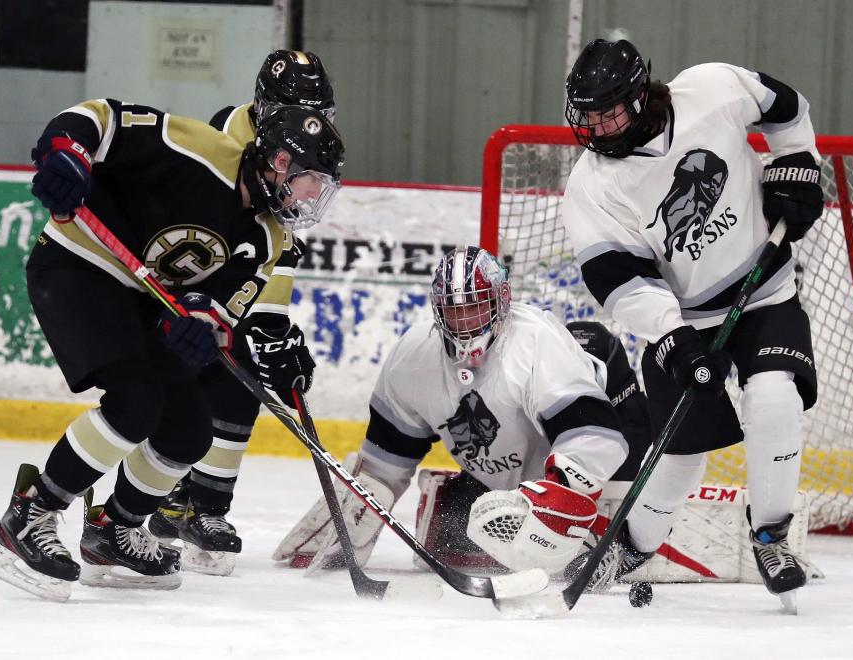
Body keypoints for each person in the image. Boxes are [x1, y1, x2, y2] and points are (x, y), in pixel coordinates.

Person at [0, 97, 344, 601]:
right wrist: (67, 153)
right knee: (135, 402)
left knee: (187, 430)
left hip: (140, 301)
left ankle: (114, 530)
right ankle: (32, 512)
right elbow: (97, 118)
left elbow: (217, 307)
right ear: (280, 162)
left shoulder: (268, 238)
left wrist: (201, 325)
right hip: (77, 266)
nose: (313, 196)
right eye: (314, 179)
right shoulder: (197, 150)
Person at [560, 38, 823, 605]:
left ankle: (771, 534)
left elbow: (788, 109)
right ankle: (630, 546)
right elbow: (619, 278)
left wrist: (799, 160)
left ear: (638, 96)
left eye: (609, 113)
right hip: (681, 321)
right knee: (678, 458)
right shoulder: (591, 186)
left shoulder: (710, 88)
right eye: (589, 116)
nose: (598, 128)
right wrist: (674, 338)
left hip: (765, 291)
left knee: (774, 400)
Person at [272, 246, 649, 578]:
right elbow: (386, 462)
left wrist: (557, 501)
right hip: (510, 485)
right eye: (454, 311)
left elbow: (598, 437)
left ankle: (630, 526)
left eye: (474, 307)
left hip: (604, 444)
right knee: (450, 540)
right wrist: (353, 515)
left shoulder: (534, 341)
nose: (464, 322)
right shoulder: (413, 357)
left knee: (592, 337)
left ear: (501, 300)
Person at [146, 50, 336, 575]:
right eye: (294, 106)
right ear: (264, 104)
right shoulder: (229, 136)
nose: (307, 117)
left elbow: (279, 245)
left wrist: (271, 326)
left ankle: (205, 508)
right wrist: (234, 317)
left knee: (243, 383)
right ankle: (159, 501)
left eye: (317, 108)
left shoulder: (304, 146)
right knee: (181, 388)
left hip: (241, 284)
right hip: (193, 284)